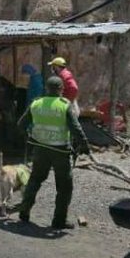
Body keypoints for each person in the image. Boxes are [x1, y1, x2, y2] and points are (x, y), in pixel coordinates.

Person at [17, 76, 90, 229]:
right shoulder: (64, 105)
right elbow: (75, 128)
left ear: (47, 89)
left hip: (40, 149)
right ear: (61, 89)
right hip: (60, 151)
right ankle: (58, 221)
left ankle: (24, 211)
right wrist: (84, 145)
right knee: (64, 187)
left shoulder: (36, 103)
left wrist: (30, 136)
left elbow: (21, 124)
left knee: (35, 180)